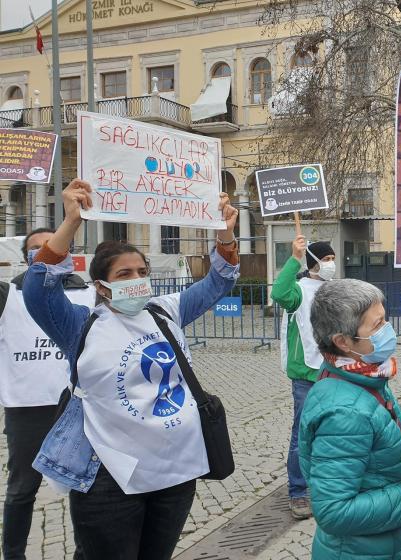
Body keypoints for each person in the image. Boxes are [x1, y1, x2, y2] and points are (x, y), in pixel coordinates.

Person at [22, 179, 240, 559]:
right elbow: (38, 290)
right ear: (101, 286)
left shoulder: (166, 310)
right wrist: (72, 221)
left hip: (177, 472)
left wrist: (224, 234)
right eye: (125, 275)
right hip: (110, 478)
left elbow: (218, 282)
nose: (138, 280)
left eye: (142, 271)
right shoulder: (78, 325)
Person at [299, 279, 401, 559]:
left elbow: (379, 446)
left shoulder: (363, 377)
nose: (388, 330)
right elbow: (333, 511)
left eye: (385, 320)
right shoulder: (344, 411)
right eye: (377, 326)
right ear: (342, 341)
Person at [0, 228, 95, 560]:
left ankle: (85, 551)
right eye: (35, 249)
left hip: (77, 405)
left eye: (50, 246)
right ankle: (13, 554)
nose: (43, 252)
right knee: (22, 489)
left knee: (84, 485)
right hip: (27, 408)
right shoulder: (7, 295)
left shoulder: (88, 293)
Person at [271, 236, 335, 519]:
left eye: (333, 259)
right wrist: (295, 257)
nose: (331, 264)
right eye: (326, 259)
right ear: (314, 263)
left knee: (333, 432)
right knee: (302, 434)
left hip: (335, 372)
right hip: (307, 375)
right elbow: (279, 293)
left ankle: (326, 484)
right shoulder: (298, 290)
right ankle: (298, 492)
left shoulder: (334, 290)